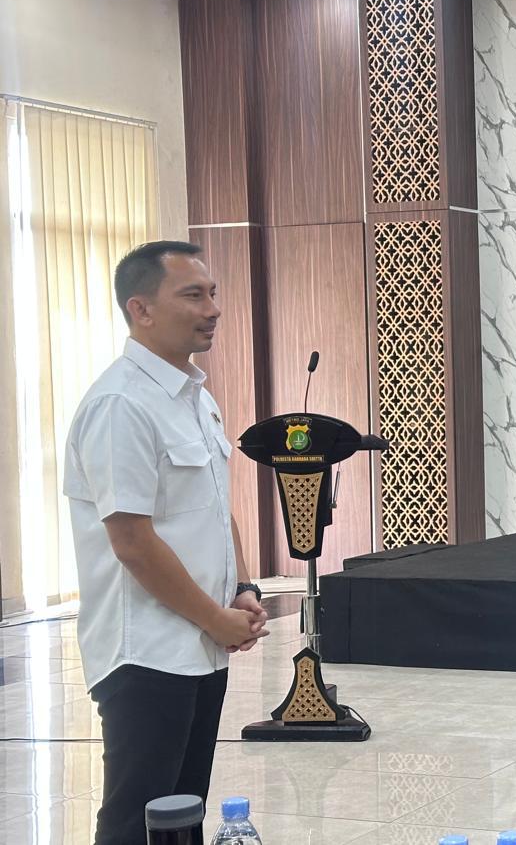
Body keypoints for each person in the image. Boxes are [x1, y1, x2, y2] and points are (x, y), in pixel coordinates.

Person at [62, 241, 269, 845]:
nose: (213, 309)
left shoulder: (194, 396)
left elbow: (212, 508)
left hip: (200, 644)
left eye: (213, 294)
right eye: (193, 295)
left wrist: (241, 589)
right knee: (138, 819)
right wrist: (215, 619)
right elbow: (132, 540)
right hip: (146, 653)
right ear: (142, 309)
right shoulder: (120, 403)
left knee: (183, 814)